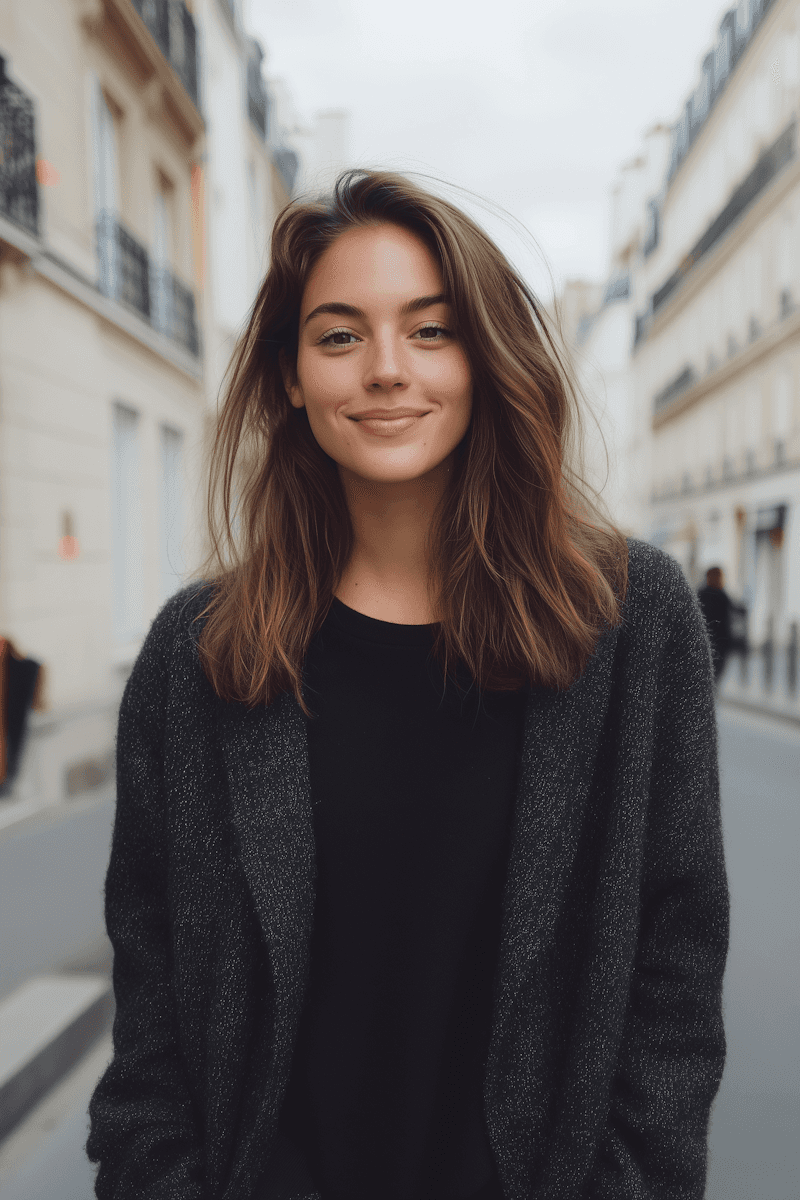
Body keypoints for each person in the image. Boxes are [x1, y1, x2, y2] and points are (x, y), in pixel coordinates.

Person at [86, 170, 729, 1200]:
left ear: (486, 357)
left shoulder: (629, 622)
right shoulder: (198, 655)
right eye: (338, 336)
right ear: (290, 377)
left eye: (429, 331)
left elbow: (674, 977)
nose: (385, 370)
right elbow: (152, 1008)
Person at [697, 566, 737, 684]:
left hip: (706, 641)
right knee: (716, 674)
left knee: (709, 674)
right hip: (720, 641)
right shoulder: (721, 595)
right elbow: (735, 611)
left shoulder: (701, 593)